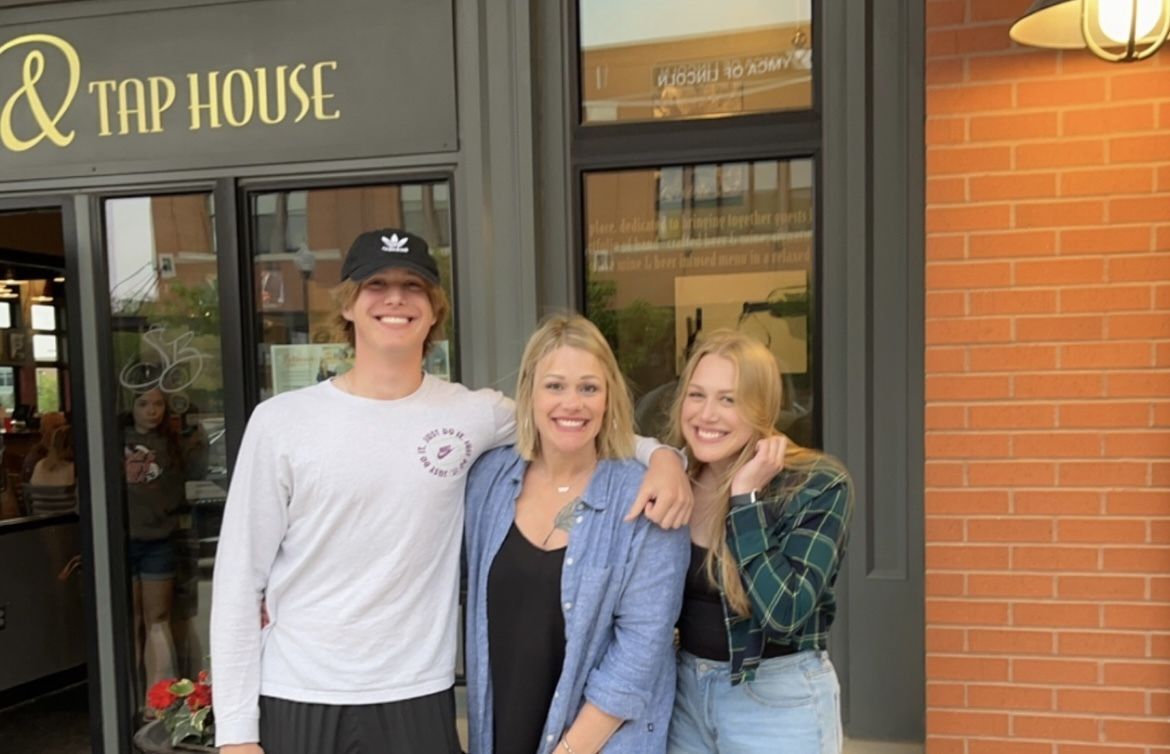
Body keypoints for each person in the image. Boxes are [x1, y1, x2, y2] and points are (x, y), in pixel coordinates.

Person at [211, 229, 691, 754]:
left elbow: (577, 422)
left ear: (434, 309)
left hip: (418, 693)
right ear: (348, 304)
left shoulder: (472, 414)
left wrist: (664, 457)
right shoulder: (281, 423)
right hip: (299, 689)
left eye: (413, 285)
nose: (395, 298)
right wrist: (236, 733)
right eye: (376, 283)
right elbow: (238, 582)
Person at [464, 314, 689, 754]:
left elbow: (641, 650)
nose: (573, 403)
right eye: (555, 386)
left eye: (589, 387)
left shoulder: (646, 495)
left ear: (609, 398)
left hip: (598, 742)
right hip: (500, 730)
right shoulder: (489, 481)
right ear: (529, 392)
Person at [665, 331, 853, 754]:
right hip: (683, 696)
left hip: (775, 697)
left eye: (728, 400)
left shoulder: (816, 485)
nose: (706, 414)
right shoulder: (675, 478)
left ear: (761, 408)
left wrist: (745, 500)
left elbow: (785, 614)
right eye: (697, 395)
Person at [123, 386, 187, 693]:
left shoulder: (173, 444)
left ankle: (157, 696)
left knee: (157, 618)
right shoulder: (114, 442)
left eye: (159, 404)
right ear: (130, 406)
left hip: (158, 539)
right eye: (144, 403)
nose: (152, 410)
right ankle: (131, 695)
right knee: (130, 620)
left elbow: (180, 491)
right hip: (122, 540)